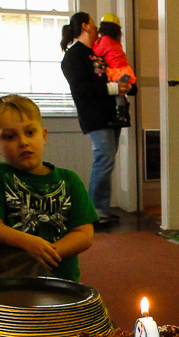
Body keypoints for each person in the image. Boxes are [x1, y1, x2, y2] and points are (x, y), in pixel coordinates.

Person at [0, 94, 97, 281]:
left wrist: (47, 252)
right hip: (14, 279)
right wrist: (28, 243)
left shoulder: (69, 180)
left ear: (43, 135)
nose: (23, 142)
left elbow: (83, 234)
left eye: (30, 133)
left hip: (63, 279)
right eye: (10, 137)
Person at [61, 12, 136, 228]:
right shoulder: (74, 56)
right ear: (85, 26)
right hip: (93, 116)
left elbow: (114, 74)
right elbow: (81, 88)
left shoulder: (97, 53)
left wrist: (127, 85)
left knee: (107, 161)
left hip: (111, 115)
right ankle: (94, 212)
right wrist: (113, 87)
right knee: (104, 160)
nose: (97, 28)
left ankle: (100, 210)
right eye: (94, 24)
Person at [93, 13, 135, 128]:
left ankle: (121, 117)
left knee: (118, 93)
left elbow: (96, 52)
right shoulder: (116, 42)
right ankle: (125, 115)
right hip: (126, 71)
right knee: (121, 94)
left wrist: (94, 42)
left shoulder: (105, 40)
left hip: (118, 72)